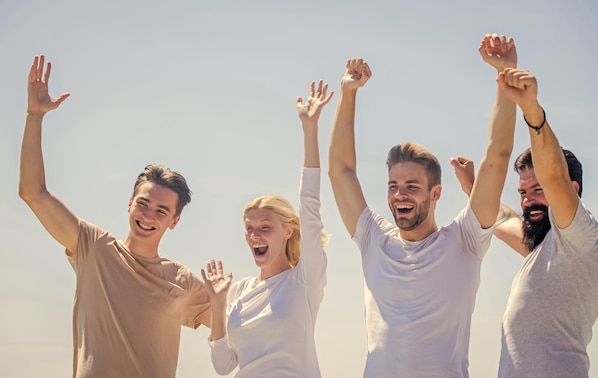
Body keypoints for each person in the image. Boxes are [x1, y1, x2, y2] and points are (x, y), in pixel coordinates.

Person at [327, 34, 517, 377]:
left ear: (436, 194)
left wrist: (505, 76)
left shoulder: (465, 241)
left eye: (412, 187)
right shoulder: (374, 240)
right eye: (394, 186)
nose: (400, 194)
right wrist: (348, 93)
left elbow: (497, 159)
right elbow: (340, 171)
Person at [18, 55, 212, 378]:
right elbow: (32, 193)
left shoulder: (181, 281)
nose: (148, 215)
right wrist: (34, 116)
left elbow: (239, 324)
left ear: (174, 221)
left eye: (161, 211)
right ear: (130, 203)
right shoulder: (93, 247)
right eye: (143, 204)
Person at [455, 67, 598, 377]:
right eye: (523, 192)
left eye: (537, 190)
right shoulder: (545, 248)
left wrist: (532, 112)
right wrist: (472, 186)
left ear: (573, 191)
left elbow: (554, 176)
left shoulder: (579, 237)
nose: (527, 199)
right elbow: (505, 220)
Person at [202, 80, 333, 377]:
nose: (254, 235)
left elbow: (310, 206)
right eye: (249, 229)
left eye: (264, 227)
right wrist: (218, 304)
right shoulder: (239, 291)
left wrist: (309, 129)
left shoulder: (304, 280)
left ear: (288, 230)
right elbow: (224, 366)